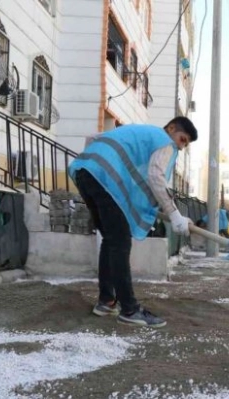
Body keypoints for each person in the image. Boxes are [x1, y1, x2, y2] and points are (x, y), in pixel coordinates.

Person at [69, 117, 198, 328]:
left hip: (86, 172)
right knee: (120, 242)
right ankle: (129, 309)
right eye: (182, 140)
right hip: (101, 178)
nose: (181, 147)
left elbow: (93, 138)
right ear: (171, 128)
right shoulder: (163, 140)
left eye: (185, 145)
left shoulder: (139, 131)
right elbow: (156, 177)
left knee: (111, 241)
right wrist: (174, 214)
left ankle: (106, 301)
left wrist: (96, 170)